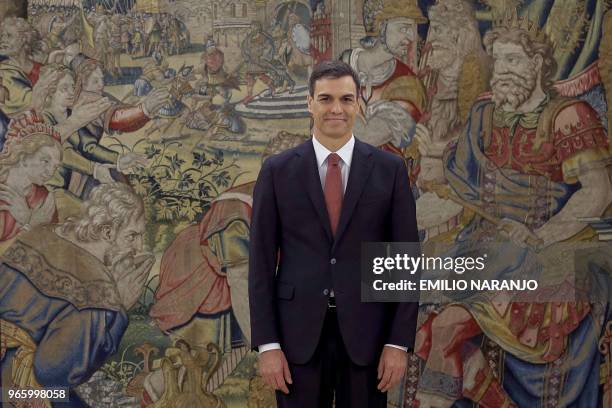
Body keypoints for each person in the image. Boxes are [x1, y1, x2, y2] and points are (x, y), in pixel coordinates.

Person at [413, 13, 612, 408]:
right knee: (418, 317)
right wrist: (432, 166)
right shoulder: (484, 116)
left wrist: (542, 234)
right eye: (498, 61)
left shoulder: (568, 116)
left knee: (449, 326)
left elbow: (597, 192)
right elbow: (457, 185)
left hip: (555, 253)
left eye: (513, 61)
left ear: (537, 65)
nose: (501, 71)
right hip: (488, 251)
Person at [248, 60, 420, 407]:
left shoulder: (390, 170)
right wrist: (268, 345)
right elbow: (261, 264)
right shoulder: (277, 171)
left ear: (359, 104)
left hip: (368, 338)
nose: (336, 109)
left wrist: (398, 343)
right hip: (296, 338)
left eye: (345, 99)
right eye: (325, 99)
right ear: (309, 103)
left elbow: (405, 262)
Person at [0, 182, 154, 406]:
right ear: (107, 231)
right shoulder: (96, 290)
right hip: (14, 392)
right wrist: (120, 309)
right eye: (132, 236)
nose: (139, 247)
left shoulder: (40, 234)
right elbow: (53, 375)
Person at [0, 111, 61, 248]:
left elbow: (50, 250)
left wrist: (27, 219)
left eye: (55, 167)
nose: (50, 171)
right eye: (45, 161)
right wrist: (31, 223)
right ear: (23, 157)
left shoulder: (44, 199)